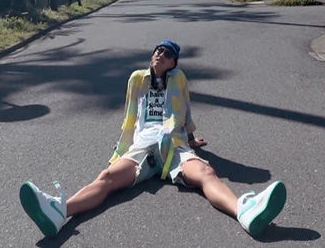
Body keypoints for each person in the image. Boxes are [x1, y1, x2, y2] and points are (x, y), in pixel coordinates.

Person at [19, 40, 286, 240]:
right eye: (159, 50)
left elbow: (185, 110)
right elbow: (130, 115)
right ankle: (59, 212)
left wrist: (190, 139)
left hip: (173, 145)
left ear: (173, 63)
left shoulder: (178, 78)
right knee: (107, 177)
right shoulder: (137, 78)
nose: (161, 54)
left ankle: (244, 211)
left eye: (168, 54)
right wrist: (123, 146)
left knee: (206, 173)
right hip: (142, 146)